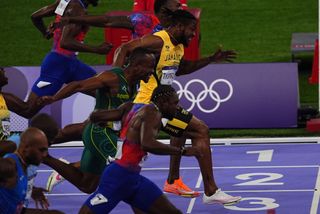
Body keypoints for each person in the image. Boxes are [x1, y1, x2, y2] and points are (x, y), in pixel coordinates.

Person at [113, 9, 241, 204]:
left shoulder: (178, 47)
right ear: (179, 26)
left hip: (161, 107)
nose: (193, 34)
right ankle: (70, 172)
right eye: (191, 29)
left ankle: (184, 184)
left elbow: (183, 69)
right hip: (145, 107)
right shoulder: (158, 41)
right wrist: (116, 81)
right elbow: (123, 49)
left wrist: (211, 59)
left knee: (196, 131)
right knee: (118, 161)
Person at [41, 48, 156, 196]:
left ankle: (46, 158)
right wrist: (54, 98)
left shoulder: (134, 84)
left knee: (87, 185)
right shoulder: (112, 77)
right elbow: (78, 85)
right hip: (99, 132)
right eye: (150, 67)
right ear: (138, 65)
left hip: (109, 134)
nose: (152, 71)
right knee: (126, 170)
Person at [79, 85, 199, 214]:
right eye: (175, 103)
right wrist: (183, 151)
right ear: (163, 102)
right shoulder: (154, 113)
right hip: (118, 178)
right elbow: (147, 144)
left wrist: (101, 122)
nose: (177, 108)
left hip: (132, 179)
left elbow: (96, 115)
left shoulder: (131, 107)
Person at [23, 0, 112, 118]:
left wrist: (46, 32)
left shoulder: (65, 2)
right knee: (28, 110)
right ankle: (2, 101)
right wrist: (97, 49)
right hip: (58, 65)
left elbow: (36, 17)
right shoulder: (76, 9)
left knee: (104, 91)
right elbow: (66, 42)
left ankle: (96, 129)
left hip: (71, 64)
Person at [0, 127, 64, 214]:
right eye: (41, 150)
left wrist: (31, 190)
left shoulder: (23, 165)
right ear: (26, 148)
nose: (45, 155)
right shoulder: (10, 166)